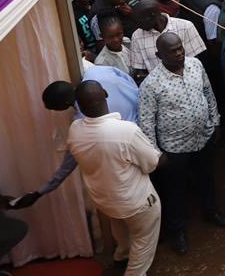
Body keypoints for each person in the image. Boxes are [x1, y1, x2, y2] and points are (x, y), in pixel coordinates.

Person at [137, 33, 225, 254]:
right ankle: (177, 231)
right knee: (175, 190)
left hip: (204, 138)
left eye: (180, 48)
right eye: (173, 51)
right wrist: (156, 153)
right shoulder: (151, 84)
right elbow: (147, 121)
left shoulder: (195, 65)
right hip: (174, 147)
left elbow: (208, 92)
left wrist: (215, 122)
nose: (179, 53)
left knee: (207, 178)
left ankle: (211, 212)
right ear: (159, 55)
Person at [66, 81, 164, 276]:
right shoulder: (126, 130)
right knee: (143, 242)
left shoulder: (75, 129)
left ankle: (120, 259)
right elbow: (151, 163)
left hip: (105, 200)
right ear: (106, 94)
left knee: (121, 232)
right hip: (137, 202)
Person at [35, 64, 141, 199]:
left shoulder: (84, 122)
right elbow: (127, 78)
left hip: (137, 145)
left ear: (65, 104)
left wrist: (40, 192)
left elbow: (67, 166)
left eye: (55, 108)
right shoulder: (95, 71)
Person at [127, 0, 207, 82]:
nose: (137, 25)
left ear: (153, 15)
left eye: (139, 21)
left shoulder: (185, 26)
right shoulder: (137, 36)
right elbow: (140, 71)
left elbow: (197, 62)